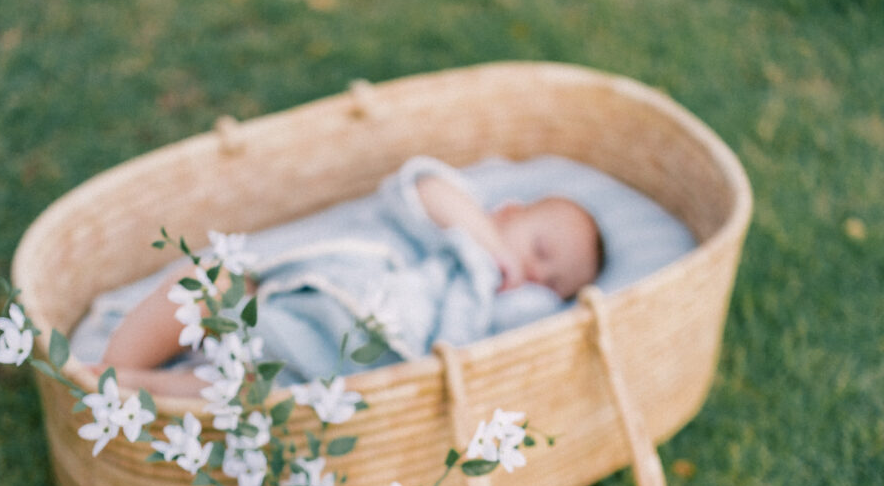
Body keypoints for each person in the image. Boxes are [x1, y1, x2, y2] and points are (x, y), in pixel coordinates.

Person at [94, 159, 603, 396]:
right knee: (210, 283)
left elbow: (494, 352)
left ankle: (139, 387)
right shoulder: (463, 224)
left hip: (331, 366)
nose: (536, 273)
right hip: (299, 297)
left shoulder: (490, 304)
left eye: (551, 283)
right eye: (539, 250)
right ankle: (111, 366)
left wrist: (528, 298)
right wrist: (489, 248)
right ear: (508, 213)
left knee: (244, 396)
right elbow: (423, 187)